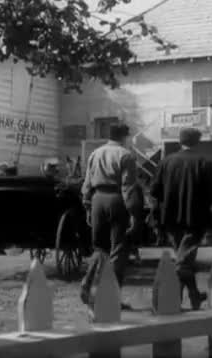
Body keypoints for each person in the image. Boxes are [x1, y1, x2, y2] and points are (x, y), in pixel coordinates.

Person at [150, 127, 212, 310]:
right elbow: (211, 193)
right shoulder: (204, 162)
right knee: (183, 262)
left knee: (184, 258)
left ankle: (194, 295)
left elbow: (154, 190)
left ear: (180, 141)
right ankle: (171, 299)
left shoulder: (166, 162)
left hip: (170, 219)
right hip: (195, 219)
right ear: (198, 141)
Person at [80, 124, 140, 311]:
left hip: (97, 199)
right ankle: (111, 297)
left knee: (99, 247)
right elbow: (128, 187)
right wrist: (133, 213)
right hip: (116, 200)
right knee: (118, 251)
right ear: (124, 137)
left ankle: (88, 282)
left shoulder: (95, 154)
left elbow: (87, 183)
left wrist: (88, 207)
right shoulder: (126, 155)